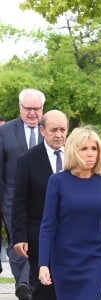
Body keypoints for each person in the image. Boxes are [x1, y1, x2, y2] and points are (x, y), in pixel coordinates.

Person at [38, 126, 101, 300]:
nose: (90, 153)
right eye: (84, 148)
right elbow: (47, 226)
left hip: (94, 260)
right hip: (64, 261)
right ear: (73, 150)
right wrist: (43, 264)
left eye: (94, 148)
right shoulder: (57, 181)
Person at [12, 110, 69, 300]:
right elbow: (19, 201)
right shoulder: (27, 160)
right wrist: (19, 236)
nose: (59, 134)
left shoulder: (76, 157)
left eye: (63, 129)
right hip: (39, 238)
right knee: (44, 290)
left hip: (72, 237)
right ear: (42, 130)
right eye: (54, 130)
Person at [0, 88, 46, 300]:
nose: (32, 113)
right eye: (28, 108)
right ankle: (24, 284)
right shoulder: (5, 132)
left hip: (43, 201)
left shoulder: (50, 130)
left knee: (37, 241)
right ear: (20, 108)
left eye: (36, 109)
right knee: (17, 241)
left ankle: (28, 284)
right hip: (11, 199)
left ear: (42, 109)